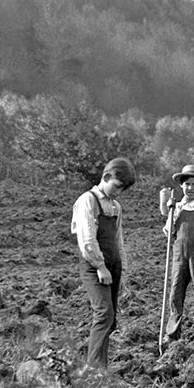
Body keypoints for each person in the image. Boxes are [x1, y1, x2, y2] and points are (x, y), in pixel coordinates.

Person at [71, 157, 136, 368]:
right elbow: (87, 238)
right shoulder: (88, 201)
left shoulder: (116, 206)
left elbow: (119, 240)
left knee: (111, 318)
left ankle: (102, 367)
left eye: (122, 189)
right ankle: (94, 368)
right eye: (117, 186)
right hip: (94, 265)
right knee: (103, 313)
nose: (118, 192)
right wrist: (100, 266)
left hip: (113, 265)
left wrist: (122, 271)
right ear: (106, 177)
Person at [159, 164, 194, 342]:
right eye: (187, 185)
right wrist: (170, 211)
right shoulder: (176, 208)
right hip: (178, 256)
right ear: (181, 186)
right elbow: (168, 232)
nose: (190, 188)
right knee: (175, 292)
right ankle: (172, 332)